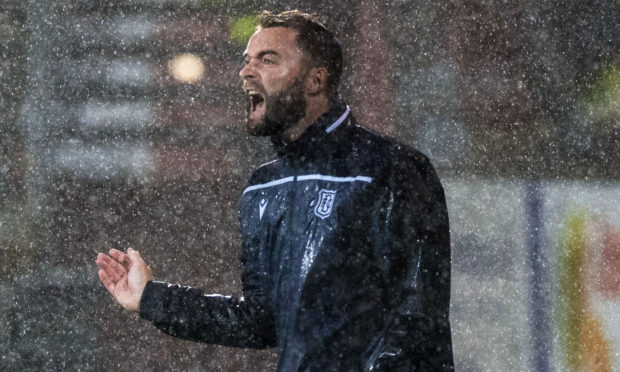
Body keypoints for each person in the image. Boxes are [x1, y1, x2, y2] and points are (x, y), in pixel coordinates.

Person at [96, 10, 453, 371]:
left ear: (315, 80)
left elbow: (417, 321)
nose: (247, 71)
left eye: (268, 60)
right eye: (247, 60)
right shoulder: (264, 187)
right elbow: (259, 320)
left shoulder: (391, 169)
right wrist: (151, 298)